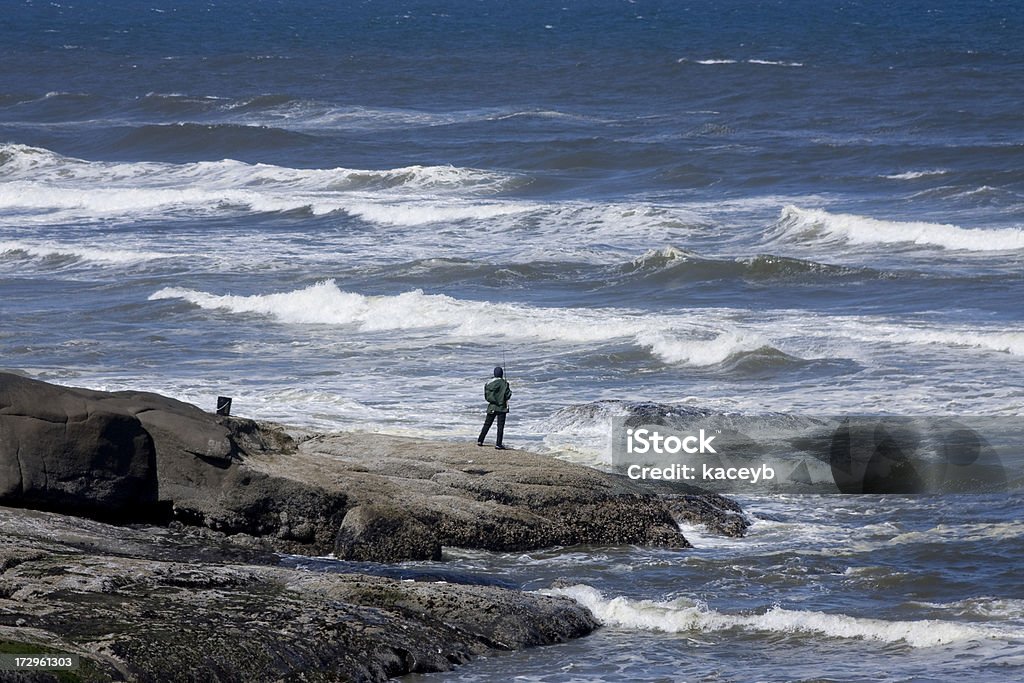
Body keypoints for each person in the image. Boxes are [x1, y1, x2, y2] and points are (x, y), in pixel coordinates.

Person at [477, 366, 511, 449]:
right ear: (502, 374)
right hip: (502, 407)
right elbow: (508, 395)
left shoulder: (488, 383)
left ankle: (480, 440)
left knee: (487, 424)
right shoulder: (504, 383)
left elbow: (486, 396)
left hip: (491, 406)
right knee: (500, 426)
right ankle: (498, 444)